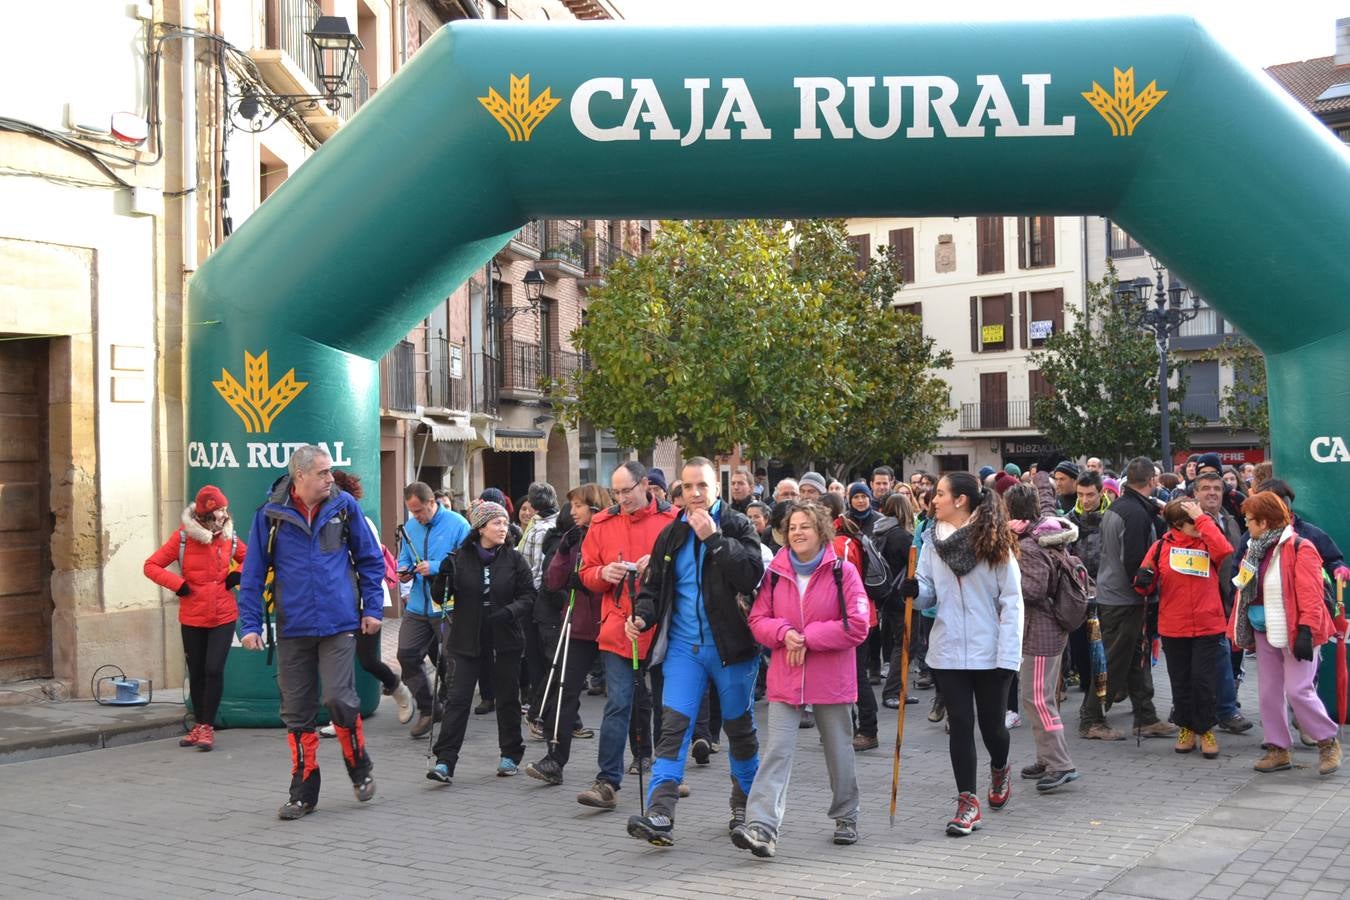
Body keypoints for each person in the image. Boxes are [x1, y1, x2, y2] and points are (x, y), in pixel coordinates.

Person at [237, 446, 386, 819]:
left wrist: (371, 608)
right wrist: (251, 625)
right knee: (297, 712)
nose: (330, 478)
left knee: (339, 697)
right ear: (299, 476)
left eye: (330, 471)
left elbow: (369, 560)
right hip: (294, 626)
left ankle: (359, 765)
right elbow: (253, 574)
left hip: (339, 623)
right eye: (322, 473)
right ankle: (303, 790)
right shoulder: (270, 515)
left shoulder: (344, 507)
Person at [625, 457, 765, 846]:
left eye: (702, 486)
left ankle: (744, 807)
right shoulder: (671, 534)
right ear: (679, 492)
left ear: (717, 488)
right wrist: (641, 616)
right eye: (687, 487)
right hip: (685, 650)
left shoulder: (738, 525)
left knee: (739, 731)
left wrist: (714, 540)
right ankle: (660, 813)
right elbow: (653, 589)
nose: (695, 494)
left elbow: (751, 575)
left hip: (732, 650)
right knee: (672, 731)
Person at [735, 501, 869, 858]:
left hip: (831, 678)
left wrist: (808, 637)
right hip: (786, 676)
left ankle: (846, 816)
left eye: (805, 526)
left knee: (838, 750)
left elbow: (857, 625)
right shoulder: (776, 572)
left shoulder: (843, 571)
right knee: (776, 751)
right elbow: (759, 619)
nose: (797, 532)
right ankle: (761, 827)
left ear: (821, 530)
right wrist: (784, 634)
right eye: (792, 526)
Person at [902, 471, 1022, 836]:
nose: (932, 499)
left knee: (992, 728)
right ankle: (967, 802)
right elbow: (928, 593)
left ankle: (1000, 768)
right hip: (948, 649)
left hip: (991, 653)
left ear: (961, 500)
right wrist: (913, 591)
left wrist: (1008, 657)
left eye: (939, 494)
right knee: (960, 725)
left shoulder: (996, 543)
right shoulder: (930, 542)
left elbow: (1012, 602)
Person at [572, 462, 677, 811]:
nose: (621, 498)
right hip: (619, 625)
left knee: (668, 704)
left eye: (627, 490)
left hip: (663, 626)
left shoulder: (671, 519)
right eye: (616, 492)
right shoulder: (602, 523)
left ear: (645, 484)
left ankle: (668, 775)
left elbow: (689, 570)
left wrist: (658, 567)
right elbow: (585, 573)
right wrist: (604, 572)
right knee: (618, 702)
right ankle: (607, 781)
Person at [427, 501, 536, 783]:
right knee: (458, 700)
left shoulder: (514, 559)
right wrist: (443, 578)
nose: (503, 528)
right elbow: (441, 597)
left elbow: (528, 597)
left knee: (507, 698)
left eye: (504, 522)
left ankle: (510, 754)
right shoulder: (459, 557)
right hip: (466, 639)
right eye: (496, 523)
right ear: (480, 528)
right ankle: (445, 761)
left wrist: (507, 613)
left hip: (505, 639)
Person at [1233, 492, 1341, 776]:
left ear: (1264, 522)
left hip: (1297, 630)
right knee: (1269, 693)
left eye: (1249, 520)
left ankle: (1327, 742)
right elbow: (1243, 588)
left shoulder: (1301, 547)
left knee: (1298, 690)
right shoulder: (1254, 548)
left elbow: (1311, 594)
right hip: (1263, 628)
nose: (1247, 525)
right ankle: (1278, 748)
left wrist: (1306, 630)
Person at [143, 485, 247, 752]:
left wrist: (238, 574)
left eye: (225, 509)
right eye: (219, 511)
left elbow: (255, 560)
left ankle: (208, 727)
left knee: (214, 669)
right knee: (198, 672)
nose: (225, 515)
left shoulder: (229, 538)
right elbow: (151, 566)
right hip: (192, 615)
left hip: (223, 614)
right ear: (205, 516)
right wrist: (178, 585)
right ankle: (199, 725)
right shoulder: (181, 538)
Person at [1079, 457, 1175, 742]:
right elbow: (1134, 561)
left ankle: (1145, 716)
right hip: (1124, 599)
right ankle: (1091, 719)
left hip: (1117, 596)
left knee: (1135, 659)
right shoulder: (1135, 513)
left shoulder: (1122, 507)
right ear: (1153, 481)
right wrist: (1148, 587)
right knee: (1112, 660)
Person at [525, 484, 609, 785]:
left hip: (612, 624)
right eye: (570, 505)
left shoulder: (610, 532)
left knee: (628, 693)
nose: (572, 511)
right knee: (565, 690)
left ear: (595, 507)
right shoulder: (570, 538)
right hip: (579, 623)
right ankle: (554, 758)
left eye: (578, 506)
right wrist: (563, 549)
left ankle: (641, 752)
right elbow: (552, 581)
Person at [319, 471, 413, 737]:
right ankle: (340, 719)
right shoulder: (320, 522)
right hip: (339, 599)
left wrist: (368, 606)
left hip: (363, 598)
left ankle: (398, 688)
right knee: (338, 660)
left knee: (368, 659)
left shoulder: (358, 520)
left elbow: (370, 563)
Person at [1003, 477, 1080, 791]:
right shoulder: (1043, 533)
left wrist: (1005, 582)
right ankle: (1046, 758)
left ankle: (1060, 764)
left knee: (1037, 699)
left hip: (1041, 632)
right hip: (1047, 631)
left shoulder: (1030, 546)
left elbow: (1033, 589)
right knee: (1037, 697)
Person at [1143, 498, 1234, 760]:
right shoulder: (1161, 547)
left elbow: (1224, 548)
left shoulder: (1207, 541)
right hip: (1174, 625)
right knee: (1181, 681)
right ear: (1176, 525)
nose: (1196, 525)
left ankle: (1205, 729)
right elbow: (1145, 582)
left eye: (1198, 520)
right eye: (1191, 522)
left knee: (1203, 681)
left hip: (1207, 624)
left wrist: (1203, 519)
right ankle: (1186, 727)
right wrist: (1143, 580)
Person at [397, 481, 471, 738]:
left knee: (453, 661)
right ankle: (429, 708)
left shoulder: (458, 524)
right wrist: (403, 571)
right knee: (406, 655)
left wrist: (437, 566)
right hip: (418, 603)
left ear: (432, 503)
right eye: (411, 511)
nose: (415, 516)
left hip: (448, 604)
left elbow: (467, 562)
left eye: (418, 510)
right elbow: (404, 556)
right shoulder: (410, 526)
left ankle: (453, 712)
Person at [1192, 470, 1253, 734]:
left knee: (1227, 654)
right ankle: (1225, 710)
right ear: (1195, 493)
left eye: (1216, 488)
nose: (1212, 493)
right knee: (1217, 655)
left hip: (1230, 597)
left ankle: (1224, 705)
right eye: (1205, 488)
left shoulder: (1229, 521)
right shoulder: (1189, 523)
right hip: (1203, 601)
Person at [876, 492, 916, 709]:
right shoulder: (901, 536)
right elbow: (914, 564)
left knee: (898, 643)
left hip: (887, 595)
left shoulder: (880, 531)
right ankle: (892, 691)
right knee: (905, 644)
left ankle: (899, 690)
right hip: (903, 597)